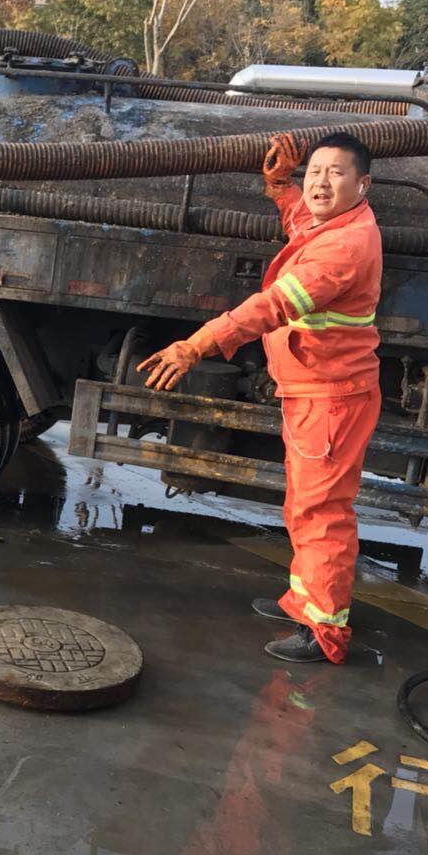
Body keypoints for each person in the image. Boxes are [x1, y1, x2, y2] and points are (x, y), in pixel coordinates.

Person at [138, 131, 382, 665]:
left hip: (331, 400)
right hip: (316, 392)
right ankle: (305, 601)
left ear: (363, 184)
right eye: (314, 171)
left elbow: (272, 305)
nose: (320, 181)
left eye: (334, 173)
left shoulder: (346, 247)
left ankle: (324, 633)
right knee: (303, 505)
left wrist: (195, 345)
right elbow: (301, 223)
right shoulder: (334, 226)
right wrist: (279, 185)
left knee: (321, 513)